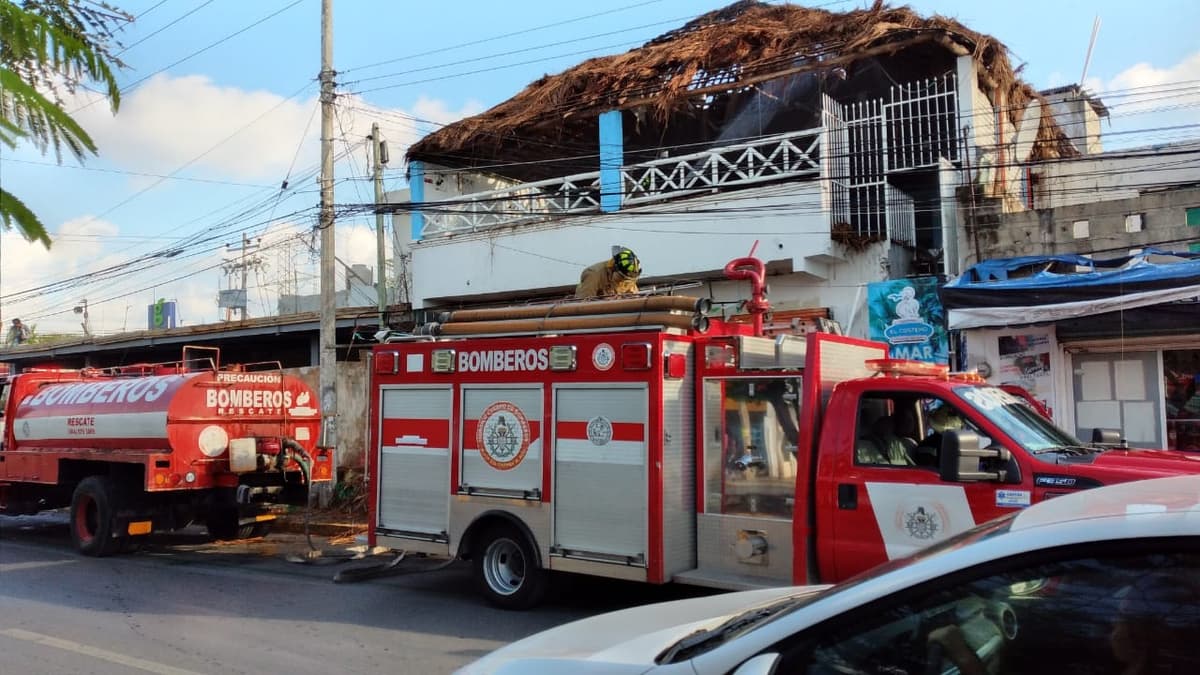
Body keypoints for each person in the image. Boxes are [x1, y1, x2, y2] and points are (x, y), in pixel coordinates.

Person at [574, 247, 641, 299]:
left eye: (628, 280)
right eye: (622, 277)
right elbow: (583, 304)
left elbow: (634, 296)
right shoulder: (593, 274)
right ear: (614, 268)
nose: (623, 281)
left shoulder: (629, 276)